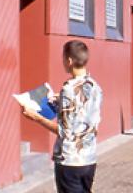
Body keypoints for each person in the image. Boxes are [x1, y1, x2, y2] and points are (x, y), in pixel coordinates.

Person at [22, 40, 103, 193]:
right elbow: (86, 112)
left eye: (63, 59)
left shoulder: (68, 89)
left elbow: (65, 132)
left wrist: (36, 117)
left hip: (70, 160)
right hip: (89, 159)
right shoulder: (95, 86)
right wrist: (61, 100)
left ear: (70, 61)